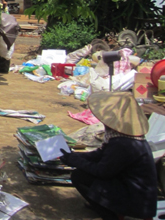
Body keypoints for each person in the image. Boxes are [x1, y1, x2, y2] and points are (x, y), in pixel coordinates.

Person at [60, 91, 157, 220]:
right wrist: (74, 156)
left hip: (136, 199)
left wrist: (75, 161)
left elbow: (102, 171)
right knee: (83, 173)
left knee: (80, 176)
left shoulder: (122, 144)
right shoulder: (127, 137)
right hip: (136, 192)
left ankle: (111, 215)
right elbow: (100, 155)